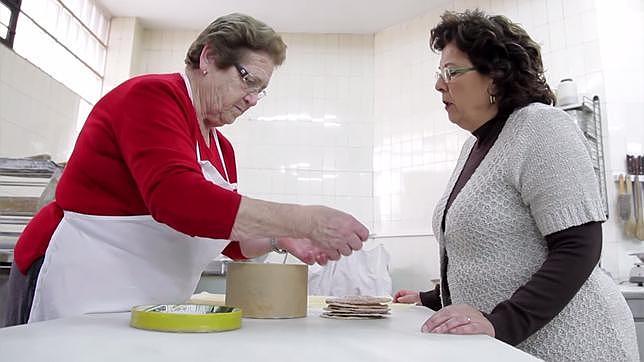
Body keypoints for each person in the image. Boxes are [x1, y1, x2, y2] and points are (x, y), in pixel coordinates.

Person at [4, 13, 369, 327]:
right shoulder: (152, 97)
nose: (253, 98)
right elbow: (177, 198)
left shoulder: (222, 149)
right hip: (77, 279)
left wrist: (280, 238)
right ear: (209, 57)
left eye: (261, 90)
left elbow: (228, 238)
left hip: (145, 299)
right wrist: (302, 220)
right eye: (248, 80)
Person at [393, 9, 638, 361]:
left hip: (575, 345)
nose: (438, 84)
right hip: (509, 346)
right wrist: (432, 299)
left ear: (495, 76)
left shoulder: (541, 126)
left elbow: (578, 247)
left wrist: (501, 323)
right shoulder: (475, 146)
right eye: (439, 73)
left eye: (451, 72)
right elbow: (488, 255)